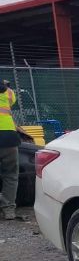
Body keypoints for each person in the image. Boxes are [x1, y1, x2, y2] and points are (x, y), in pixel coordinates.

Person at [0, 79, 21, 220]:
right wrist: (6, 84)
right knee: (11, 174)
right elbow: (13, 100)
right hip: (9, 136)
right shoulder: (8, 92)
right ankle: (8, 209)